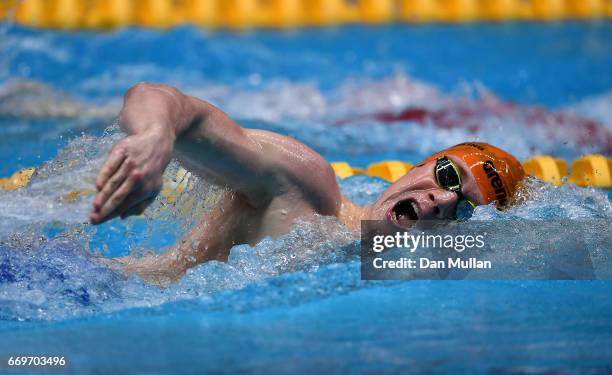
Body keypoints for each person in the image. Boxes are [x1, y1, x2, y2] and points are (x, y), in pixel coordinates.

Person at [91, 83, 525, 284]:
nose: (439, 201)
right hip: (91, 286)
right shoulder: (305, 190)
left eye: (463, 208)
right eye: (448, 177)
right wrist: (155, 138)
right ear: (418, 166)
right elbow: (167, 101)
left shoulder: (411, 279)